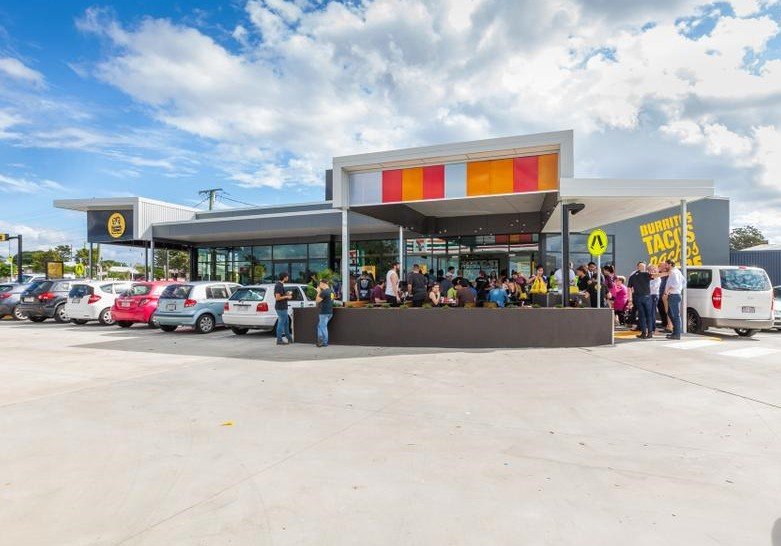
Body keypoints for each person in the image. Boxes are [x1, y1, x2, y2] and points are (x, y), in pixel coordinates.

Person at [627, 261, 654, 339]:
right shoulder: (647, 274)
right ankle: (649, 333)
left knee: (642, 316)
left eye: (643, 266)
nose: (643, 268)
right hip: (646, 297)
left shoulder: (633, 276)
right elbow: (655, 276)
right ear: (638, 267)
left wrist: (630, 299)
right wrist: (666, 273)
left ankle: (644, 333)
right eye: (642, 266)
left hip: (638, 297)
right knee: (648, 315)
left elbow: (629, 288)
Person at [665, 259, 686, 340]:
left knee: (675, 315)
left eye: (666, 265)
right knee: (670, 313)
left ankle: (677, 334)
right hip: (674, 295)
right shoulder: (676, 272)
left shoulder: (674, 272)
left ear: (670, 264)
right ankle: (675, 332)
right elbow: (684, 282)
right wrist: (679, 289)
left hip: (674, 295)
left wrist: (668, 290)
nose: (665, 266)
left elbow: (676, 284)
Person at [274, 272, 294, 345]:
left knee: (286, 323)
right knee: (281, 323)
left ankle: (289, 338)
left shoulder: (280, 285)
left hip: (283, 307)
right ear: (284, 277)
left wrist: (286, 294)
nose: (288, 277)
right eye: (287, 276)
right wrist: (287, 296)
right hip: (281, 307)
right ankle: (279, 340)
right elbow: (277, 298)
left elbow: (280, 296)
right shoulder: (278, 286)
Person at [315, 279, 333, 347]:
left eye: (320, 284)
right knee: (320, 326)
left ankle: (324, 342)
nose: (319, 285)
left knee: (323, 326)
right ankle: (320, 340)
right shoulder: (331, 291)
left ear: (323, 283)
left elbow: (317, 300)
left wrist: (318, 292)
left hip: (324, 312)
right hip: (330, 312)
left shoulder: (324, 292)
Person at [648, 264, 661, 334]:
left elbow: (653, 287)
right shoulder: (648, 277)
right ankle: (650, 327)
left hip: (654, 295)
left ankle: (653, 328)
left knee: (652, 312)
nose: (652, 271)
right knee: (649, 312)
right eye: (650, 269)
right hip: (648, 295)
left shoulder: (657, 278)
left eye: (653, 269)